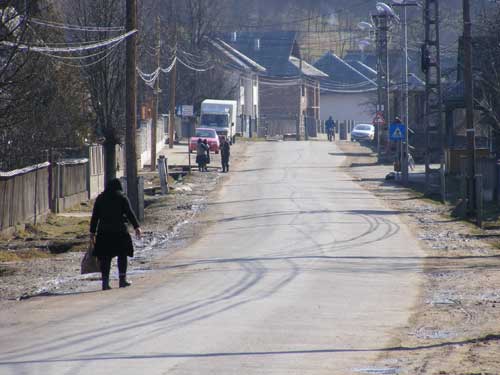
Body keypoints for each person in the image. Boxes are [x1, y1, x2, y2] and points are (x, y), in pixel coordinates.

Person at [90, 178, 142, 291]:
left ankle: (105, 282)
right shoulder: (122, 197)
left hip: (104, 233)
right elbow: (130, 213)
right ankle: (122, 280)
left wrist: (92, 232)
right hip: (120, 232)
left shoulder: (100, 198)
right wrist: (137, 227)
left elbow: (95, 217)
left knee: (105, 258)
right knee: (122, 255)